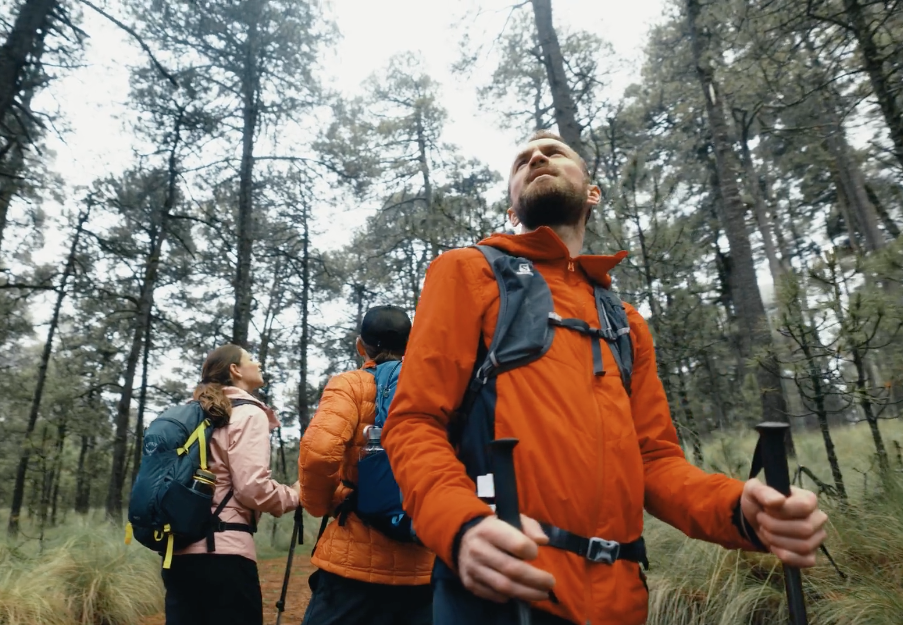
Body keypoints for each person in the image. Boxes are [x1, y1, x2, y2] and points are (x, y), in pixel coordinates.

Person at [381, 130, 829, 625]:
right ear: (512, 209)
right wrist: (462, 526)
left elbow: (655, 461)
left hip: (622, 602)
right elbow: (414, 422)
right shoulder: (466, 272)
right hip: (502, 593)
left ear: (592, 193)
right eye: (521, 161)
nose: (535, 158)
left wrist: (740, 510)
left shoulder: (625, 321)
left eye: (553, 153)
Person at [297, 305, 436, 625]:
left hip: (353, 564)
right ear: (410, 343)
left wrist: (325, 503)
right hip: (423, 562)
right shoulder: (432, 389)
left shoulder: (351, 385)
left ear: (362, 345)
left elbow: (319, 452)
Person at [162, 343, 299, 625]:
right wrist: (294, 495)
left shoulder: (187, 414)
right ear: (235, 370)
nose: (258, 364)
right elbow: (252, 489)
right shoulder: (249, 413)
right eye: (251, 359)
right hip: (224, 556)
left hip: (177, 554)